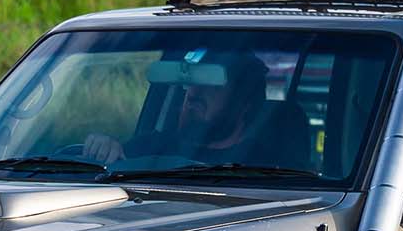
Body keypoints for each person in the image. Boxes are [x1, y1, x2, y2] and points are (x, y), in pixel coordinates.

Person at [82, 49, 283, 168]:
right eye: (191, 83)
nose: (194, 93)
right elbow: (113, 166)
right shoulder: (149, 147)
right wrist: (104, 147)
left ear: (243, 103)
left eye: (210, 84)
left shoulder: (266, 167)